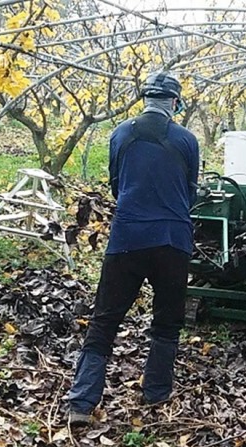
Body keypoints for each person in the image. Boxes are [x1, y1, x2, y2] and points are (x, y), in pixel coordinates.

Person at [67, 71, 199, 426]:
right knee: (167, 322)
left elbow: (115, 184)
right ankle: (155, 395)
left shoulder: (120, 135)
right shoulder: (187, 140)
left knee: (105, 320)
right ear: (175, 102)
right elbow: (191, 192)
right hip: (173, 241)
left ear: (145, 100)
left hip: (127, 240)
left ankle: (82, 402)